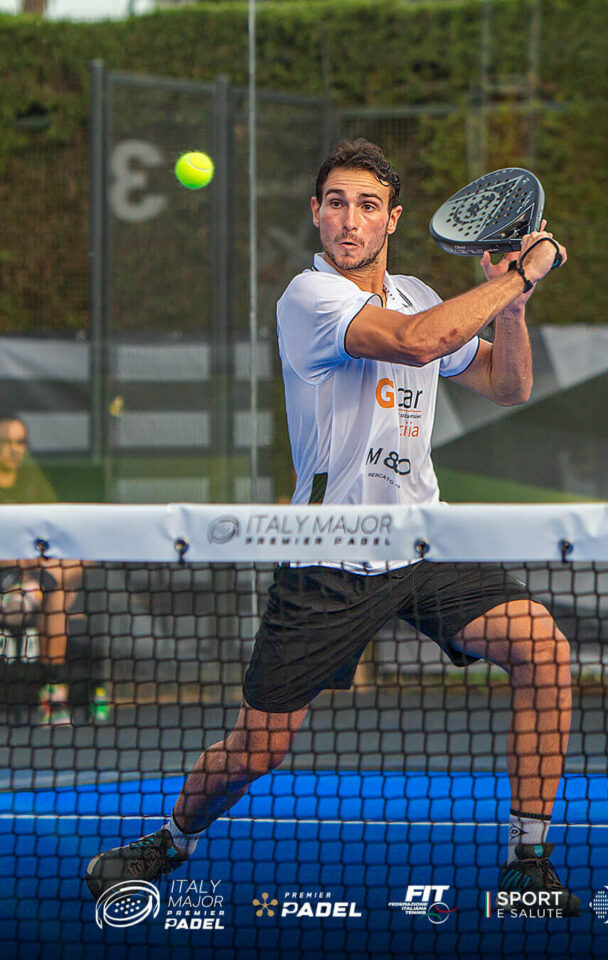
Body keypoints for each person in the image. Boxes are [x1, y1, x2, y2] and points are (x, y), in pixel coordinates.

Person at [86, 139, 578, 916]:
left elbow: (507, 384)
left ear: (393, 219)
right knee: (260, 748)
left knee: (543, 649)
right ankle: (172, 840)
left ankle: (528, 860)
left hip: (420, 542)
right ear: (317, 213)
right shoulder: (309, 298)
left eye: (368, 205)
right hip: (328, 557)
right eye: (337, 203)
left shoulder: (418, 292)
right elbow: (418, 342)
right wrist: (519, 273)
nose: (351, 220)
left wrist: (514, 307)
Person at [0, 415, 85, 724]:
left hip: (34, 580)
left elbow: (56, 535)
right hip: (7, 580)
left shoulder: (33, 483)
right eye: (6, 442)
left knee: (65, 581)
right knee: (57, 589)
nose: (14, 449)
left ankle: (53, 696)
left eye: (20, 442)